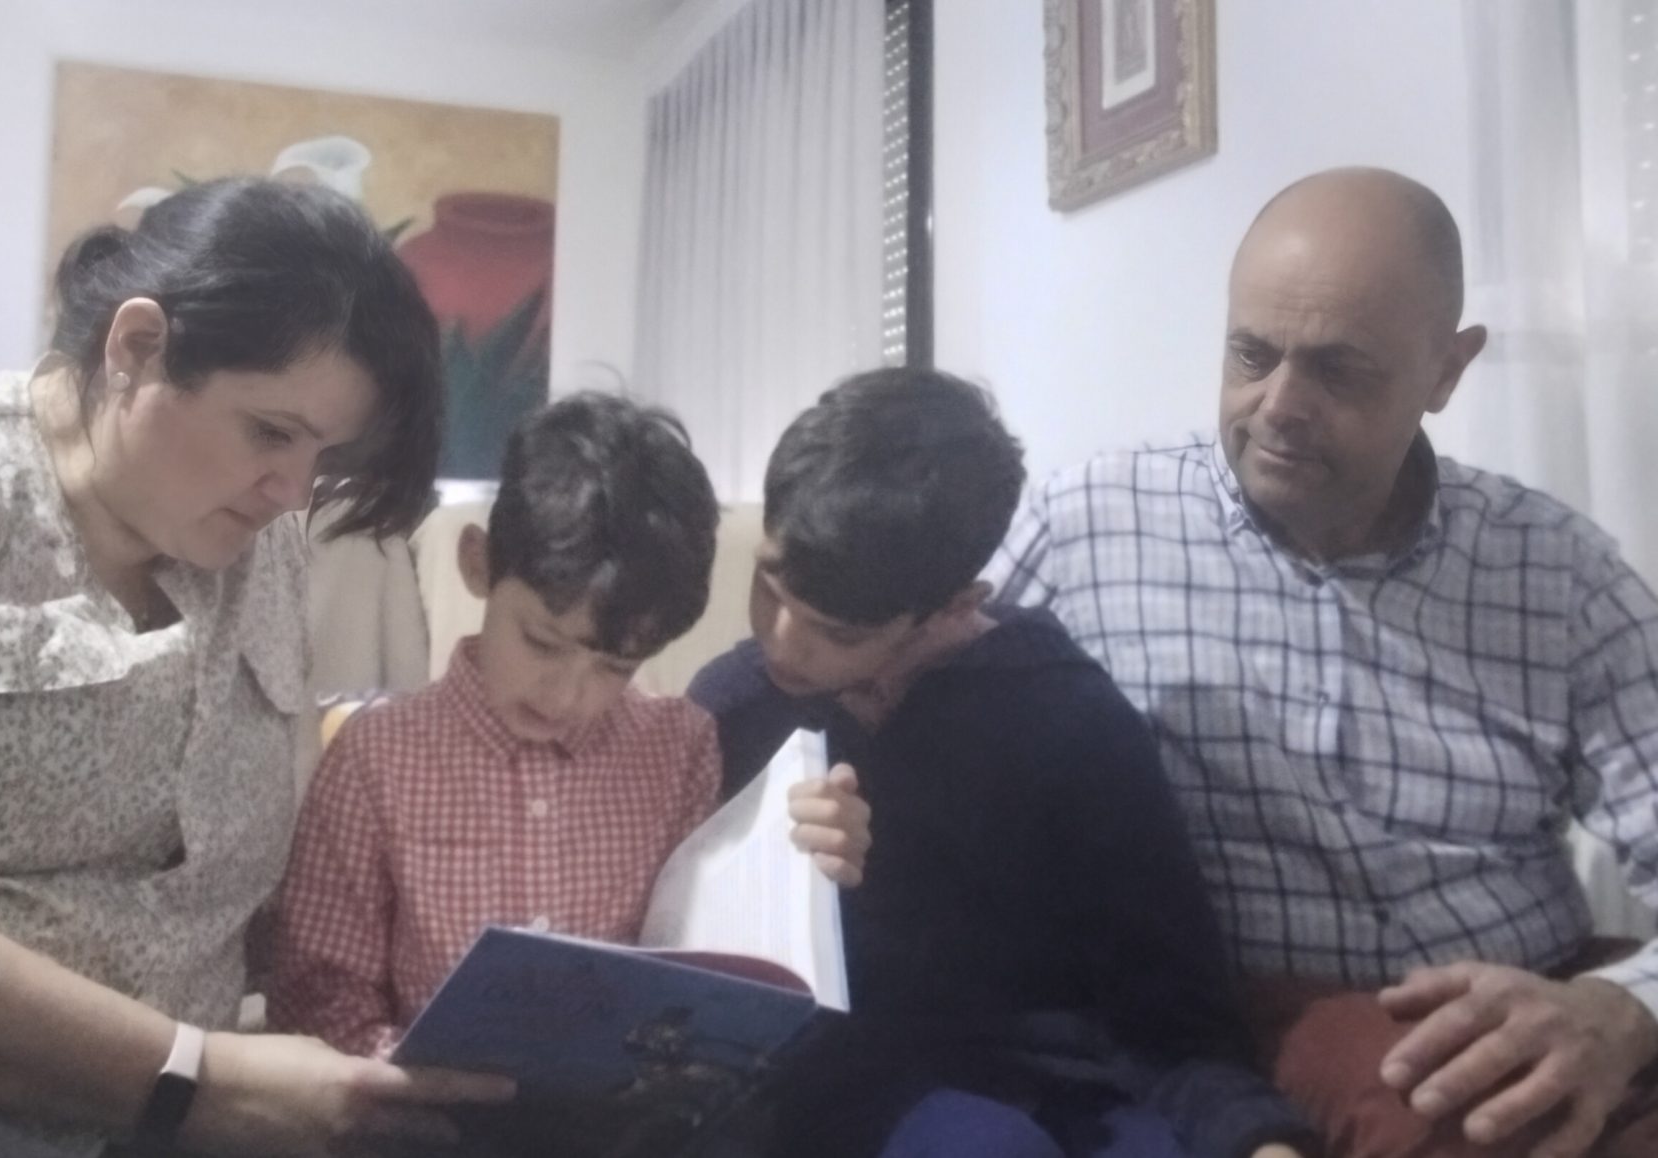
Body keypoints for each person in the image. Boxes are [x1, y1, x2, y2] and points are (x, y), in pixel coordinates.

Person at [0, 177, 515, 1157]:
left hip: (171, 1112)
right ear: (137, 346)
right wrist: (192, 1076)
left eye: (324, 456)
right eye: (271, 432)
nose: (292, 491)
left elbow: (250, 896)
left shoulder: (261, 547)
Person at [986, 166, 1658, 1158]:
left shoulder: (1558, 572)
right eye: (1251, 354)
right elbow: (924, 704)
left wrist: (1623, 1009)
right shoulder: (1086, 528)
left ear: (1447, 371)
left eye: (1340, 370)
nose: (1280, 406)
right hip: (1257, 1037)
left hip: (1534, 1004)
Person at [689, 368, 1316, 1158]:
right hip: (857, 1091)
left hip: (1083, 1084)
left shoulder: (1068, 719)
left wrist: (1260, 1138)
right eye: (768, 585)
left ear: (956, 605)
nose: (782, 643)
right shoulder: (734, 708)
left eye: (838, 633)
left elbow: (1176, 1016)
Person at [265, 392, 870, 1061]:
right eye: (542, 643)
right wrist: (417, 1084)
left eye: (615, 667)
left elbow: (708, 955)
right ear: (478, 563)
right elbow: (319, 993)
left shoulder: (681, 747)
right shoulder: (377, 757)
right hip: (418, 1104)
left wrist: (800, 863)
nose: (567, 695)